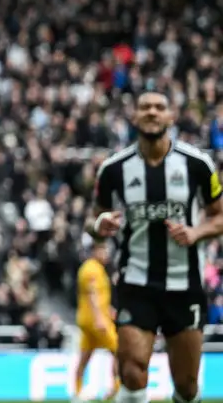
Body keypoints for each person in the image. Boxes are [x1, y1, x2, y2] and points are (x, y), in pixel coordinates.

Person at [86, 90, 223, 403]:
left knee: (187, 385)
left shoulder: (197, 165)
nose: (152, 112)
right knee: (132, 373)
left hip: (185, 283)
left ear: (171, 116)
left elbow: (219, 217)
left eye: (159, 107)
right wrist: (99, 225)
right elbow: (92, 220)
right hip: (137, 283)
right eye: (144, 107)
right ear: (134, 116)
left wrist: (196, 232)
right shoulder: (113, 169)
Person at [72, 241, 120, 403]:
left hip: (88, 319)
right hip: (95, 320)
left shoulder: (95, 269)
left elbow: (100, 296)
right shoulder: (91, 269)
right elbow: (92, 295)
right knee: (118, 350)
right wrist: (100, 317)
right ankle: (117, 387)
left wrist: (109, 311)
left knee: (85, 356)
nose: (106, 253)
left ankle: (77, 392)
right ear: (95, 251)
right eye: (103, 250)